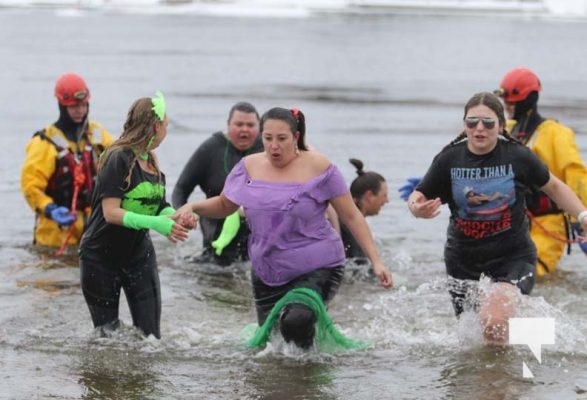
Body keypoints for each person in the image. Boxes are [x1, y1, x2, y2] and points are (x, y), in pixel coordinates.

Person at [175, 107, 393, 350]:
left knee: (296, 321)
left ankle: (310, 383)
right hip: (267, 270)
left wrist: (376, 260)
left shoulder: (320, 167)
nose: (274, 146)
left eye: (282, 139)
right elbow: (225, 204)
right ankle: (296, 376)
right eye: (268, 139)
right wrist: (193, 206)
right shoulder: (248, 167)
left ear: (295, 137)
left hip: (317, 266)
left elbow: (352, 216)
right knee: (272, 346)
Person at [407, 92, 587, 344]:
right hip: (462, 260)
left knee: (492, 321)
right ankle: (537, 341)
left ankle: (507, 377)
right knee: (475, 339)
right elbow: (419, 195)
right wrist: (416, 208)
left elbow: (555, 187)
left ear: (501, 125)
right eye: (472, 122)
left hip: (512, 257)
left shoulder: (518, 156)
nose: (479, 128)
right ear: (465, 125)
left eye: (488, 123)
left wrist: (582, 214)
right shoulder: (449, 159)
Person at [79, 93, 195, 339]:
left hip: (138, 255)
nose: (166, 131)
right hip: (100, 258)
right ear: (155, 126)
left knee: (151, 338)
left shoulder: (151, 158)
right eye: (166, 125)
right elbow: (111, 213)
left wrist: (176, 217)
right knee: (107, 339)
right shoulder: (116, 157)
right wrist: (156, 224)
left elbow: (158, 205)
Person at [494, 67, 587, 276]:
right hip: (514, 220)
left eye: (510, 102)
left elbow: (577, 175)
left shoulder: (557, 134)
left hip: (548, 221)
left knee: (531, 275)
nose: (506, 106)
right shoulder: (506, 130)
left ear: (526, 100)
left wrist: (580, 219)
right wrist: (446, 180)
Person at [21, 72, 114, 250]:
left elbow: (119, 162)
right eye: (73, 106)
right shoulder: (44, 142)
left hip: (93, 229)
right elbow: (31, 187)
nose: (80, 111)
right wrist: (50, 209)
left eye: (83, 105)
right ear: (62, 106)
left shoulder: (97, 134)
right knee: (57, 276)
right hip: (56, 234)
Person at [172, 102, 263, 266]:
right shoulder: (210, 149)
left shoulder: (267, 150)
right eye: (239, 124)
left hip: (256, 233)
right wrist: (183, 215)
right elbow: (181, 188)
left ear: (259, 127)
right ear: (228, 125)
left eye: (250, 125)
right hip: (216, 230)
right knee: (214, 274)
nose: (244, 129)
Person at [341, 158, 389, 262]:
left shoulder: (342, 218)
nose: (387, 200)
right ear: (369, 196)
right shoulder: (351, 229)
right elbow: (360, 265)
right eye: (384, 195)